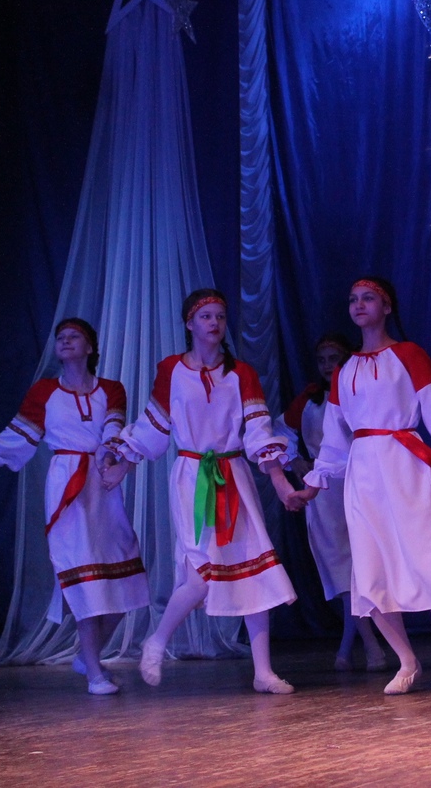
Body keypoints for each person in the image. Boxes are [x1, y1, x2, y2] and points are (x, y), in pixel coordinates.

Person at [286, 277, 431, 698]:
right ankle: (407, 662)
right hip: (363, 472)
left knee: (426, 560)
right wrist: (313, 485)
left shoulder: (408, 355)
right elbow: (334, 440)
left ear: (387, 306)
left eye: (368, 298)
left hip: (404, 463)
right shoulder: (344, 370)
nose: (358, 305)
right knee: (370, 568)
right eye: (353, 299)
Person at [104, 290, 299, 694]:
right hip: (193, 477)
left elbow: (258, 431)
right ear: (190, 324)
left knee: (255, 570)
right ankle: (157, 641)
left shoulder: (241, 373)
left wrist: (281, 482)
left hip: (233, 476)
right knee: (200, 573)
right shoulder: (172, 370)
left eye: (220, 317)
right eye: (206, 316)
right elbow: (154, 427)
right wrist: (123, 465)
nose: (214, 323)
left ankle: (263, 672)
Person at [0, 319, 149, 695]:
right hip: (66, 490)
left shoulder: (111, 389)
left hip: (102, 487)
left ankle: (86, 656)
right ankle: (94, 674)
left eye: (74, 337)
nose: (66, 341)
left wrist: (109, 457)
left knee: (123, 586)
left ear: (90, 347)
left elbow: (114, 427)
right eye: (61, 338)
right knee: (85, 582)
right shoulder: (44, 392)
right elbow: (14, 439)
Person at [278, 333, 387, 672]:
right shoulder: (310, 399)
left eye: (333, 359)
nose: (327, 366)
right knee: (339, 570)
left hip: (357, 483)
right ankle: (362, 645)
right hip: (322, 491)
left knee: (361, 565)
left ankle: (362, 646)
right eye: (322, 360)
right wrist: (294, 460)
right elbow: (279, 432)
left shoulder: (358, 390)